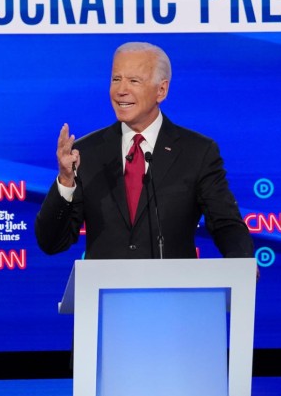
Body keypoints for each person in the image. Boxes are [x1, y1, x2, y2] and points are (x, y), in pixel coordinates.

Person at [35, 41, 255, 260]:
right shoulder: (86, 153)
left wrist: (242, 260)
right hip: (103, 291)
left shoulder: (197, 152)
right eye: (116, 79)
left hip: (174, 291)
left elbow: (225, 223)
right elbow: (51, 242)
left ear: (161, 90)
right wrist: (65, 181)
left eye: (133, 81)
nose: (121, 90)